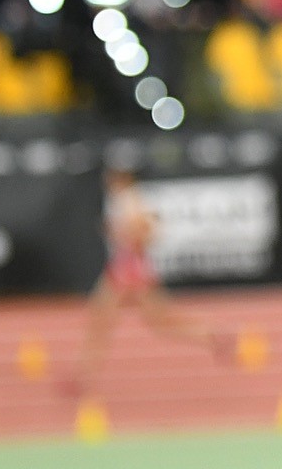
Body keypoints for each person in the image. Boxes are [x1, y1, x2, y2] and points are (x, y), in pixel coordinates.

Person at [69, 169, 230, 399]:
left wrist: (120, 234)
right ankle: (210, 335)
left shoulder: (129, 200)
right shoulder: (122, 200)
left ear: (121, 179)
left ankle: (83, 376)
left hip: (128, 270)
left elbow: (146, 231)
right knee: (157, 321)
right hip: (127, 269)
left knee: (105, 319)